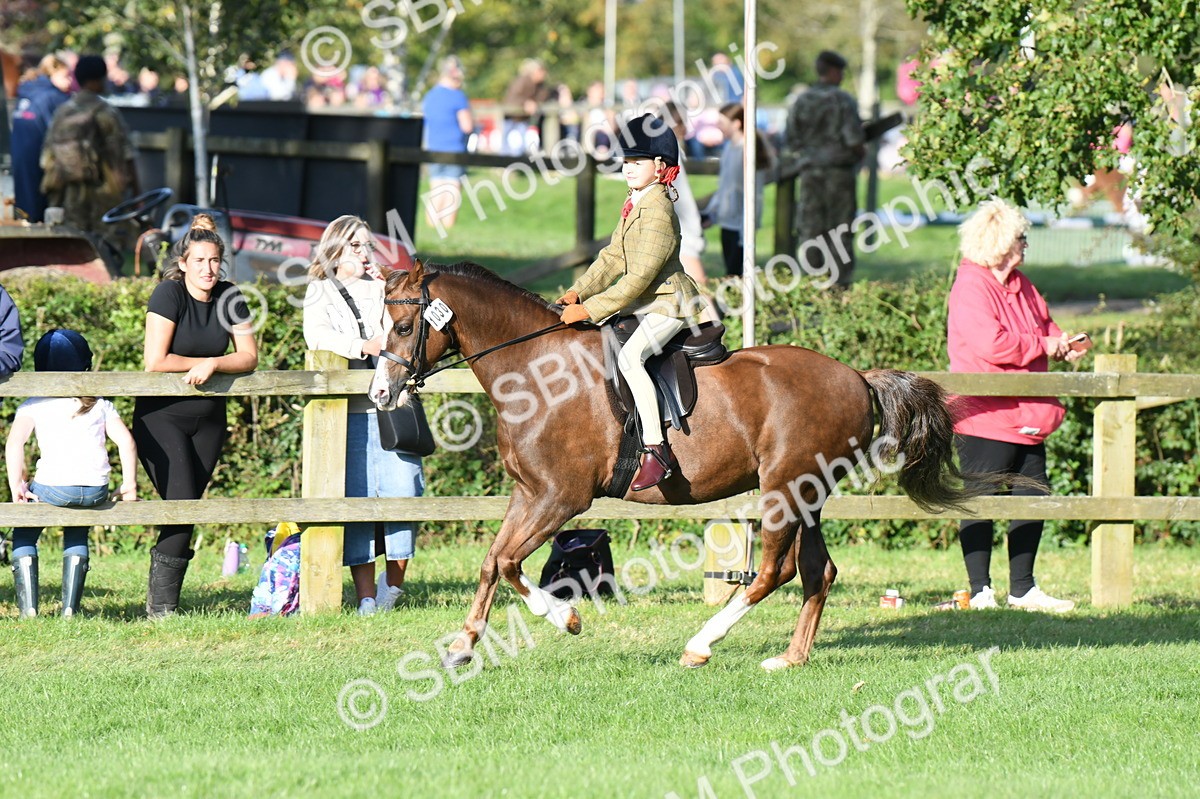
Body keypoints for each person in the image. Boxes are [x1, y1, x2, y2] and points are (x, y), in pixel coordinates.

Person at [948, 198, 1088, 613]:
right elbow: (991, 344)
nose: (1026, 244)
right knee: (980, 500)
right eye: (1021, 237)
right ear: (1000, 242)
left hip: (1029, 411)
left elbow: (1045, 325)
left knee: (1033, 497)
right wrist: (1044, 345)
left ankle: (1023, 590)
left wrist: (1063, 342)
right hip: (983, 414)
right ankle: (980, 591)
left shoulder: (1022, 283)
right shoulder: (971, 285)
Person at [555, 114, 703, 491]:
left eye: (637, 162)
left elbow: (638, 280)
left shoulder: (658, 211)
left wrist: (590, 310)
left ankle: (657, 449)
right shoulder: (636, 202)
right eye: (625, 162)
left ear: (660, 166)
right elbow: (612, 258)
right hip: (645, 303)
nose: (628, 168)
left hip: (668, 303)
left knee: (630, 358)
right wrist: (578, 291)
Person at [132, 214, 258, 618]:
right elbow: (155, 360)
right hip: (161, 419)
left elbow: (248, 356)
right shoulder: (168, 294)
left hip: (209, 421)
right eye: (200, 260)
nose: (208, 269)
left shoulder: (229, 295)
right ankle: (162, 609)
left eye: (214, 260)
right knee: (182, 504)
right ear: (183, 263)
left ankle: (161, 603)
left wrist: (215, 363)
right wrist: (202, 362)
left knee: (187, 509)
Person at [303, 215, 425, 615]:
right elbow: (316, 335)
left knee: (404, 492)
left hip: (392, 408)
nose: (363, 252)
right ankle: (366, 598)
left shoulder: (381, 289)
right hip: (349, 412)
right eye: (355, 245)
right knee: (357, 500)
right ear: (335, 248)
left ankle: (393, 590)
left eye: (368, 245)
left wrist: (387, 283)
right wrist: (362, 346)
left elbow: (407, 327)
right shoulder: (320, 290)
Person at [6, 329, 138, 619]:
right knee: (77, 530)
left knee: (24, 534)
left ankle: (29, 609)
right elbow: (126, 442)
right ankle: (70, 609)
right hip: (95, 490)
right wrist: (129, 485)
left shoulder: (34, 403)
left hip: (54, 488)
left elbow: (14, 443)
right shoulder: (100, 403)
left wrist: (18, 484)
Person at [784, 50, 864, 288]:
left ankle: (813, 282)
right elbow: (854, 139)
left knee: (811, 229)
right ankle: (839, 285)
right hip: (839, 174)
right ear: (833, 71)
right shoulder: (842, 100)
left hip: (809, 173)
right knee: (840, 230)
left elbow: (790, 139)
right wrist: (860, 152)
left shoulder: (801, 100)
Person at [40, 55, 140, 240]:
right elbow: (125, 154)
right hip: (101, 193)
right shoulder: (106, 112)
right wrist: (136, 194)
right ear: (98, 80)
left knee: (73, 241)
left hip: (68, 192)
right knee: (106, 244)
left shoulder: (62, 112)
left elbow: (48, 154)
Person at [704, 103, 771, 279]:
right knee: (731, 274)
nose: (718, 126)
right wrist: (712, 213)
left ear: (736, 123)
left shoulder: (746, 151)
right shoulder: (729, 148)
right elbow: (724, 186)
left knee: (737, 275)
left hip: (741, 225)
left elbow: (754, 194)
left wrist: (746, 230)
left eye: (722, 122)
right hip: (727, 222)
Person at [11, 54, 72, 222]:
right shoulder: (54, 97)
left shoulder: (26, 91)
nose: (69, 81)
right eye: (65, 76)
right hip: (40, 158)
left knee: (25, 207)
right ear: (52, 73)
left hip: (19, 154)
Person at [421, 56, 474, 232]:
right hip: (454, 149)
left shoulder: (430, 95)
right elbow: (467, 126)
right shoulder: (458, 96)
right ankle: (447, 231)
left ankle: (431, 229)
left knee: (436, 189)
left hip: (433, 149)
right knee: (452, 189)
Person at [501, 59, 548, 156]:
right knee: (507, 144)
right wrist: (525, 103)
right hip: (511, 117)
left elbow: (541, 99)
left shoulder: (541, 86)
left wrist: (534, 104)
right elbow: (512, 98)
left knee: (520, 145)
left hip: (523, 119)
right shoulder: (522, 81)